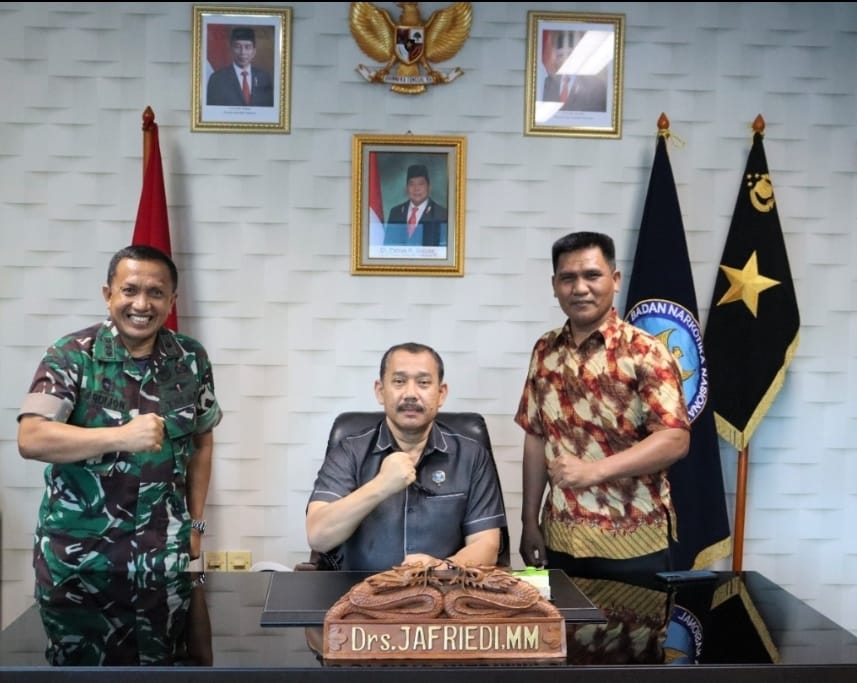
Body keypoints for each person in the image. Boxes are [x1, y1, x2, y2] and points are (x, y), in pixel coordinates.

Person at [17, 244, 222, 592]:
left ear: (172, 301)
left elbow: (202, 441)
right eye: (130, 290)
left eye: (155, 293)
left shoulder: (191, 358)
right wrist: (119, 437)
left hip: (164, 557)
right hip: (81, 561)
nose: (141, 304)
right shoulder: (71, 355)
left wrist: (196, 524)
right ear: (108, 294)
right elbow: (31, 438)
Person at [515, 231, 690, 582]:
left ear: (615, 279)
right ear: (554, 285)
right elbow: (536, 437)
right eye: (568, 278)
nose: (580, 288)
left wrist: (594, 471)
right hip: (560, 538)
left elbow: (675, 439)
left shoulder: (645, 351)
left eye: (592, 275)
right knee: (561, 620)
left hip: (633, 543)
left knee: (636, 621)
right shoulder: (545, 350)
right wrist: (529, 520)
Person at [306, 342, 506, 571]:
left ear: (441, 394)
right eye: (399, 381)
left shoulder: (471, 456)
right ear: (380, 391)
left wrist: (441, 570)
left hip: (442, 587)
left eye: (423, 383)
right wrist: (381, 485)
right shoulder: (349, 451)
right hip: (359, 589)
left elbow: (486, 544)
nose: (410, 394)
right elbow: (318, 536)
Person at [541, 30, 607, 113]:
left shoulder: (597, 86)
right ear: (555, 60)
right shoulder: (546, 83)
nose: (565, 60)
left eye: (569, 54)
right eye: (560, 55)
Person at [206, 26, 274, 107]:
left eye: (247, 47)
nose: (243, 52)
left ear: (254, 51)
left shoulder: (264, 77)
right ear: (231, 49)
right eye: (238, 47)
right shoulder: (217, 79)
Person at [384, 164, 449, 247]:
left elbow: (443, 249)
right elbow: (388, 246)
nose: (416, 189)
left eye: (421, 184)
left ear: (429, 187)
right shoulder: (396, 212)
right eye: (412, 184)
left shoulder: (441, 214)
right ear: (406, 188)